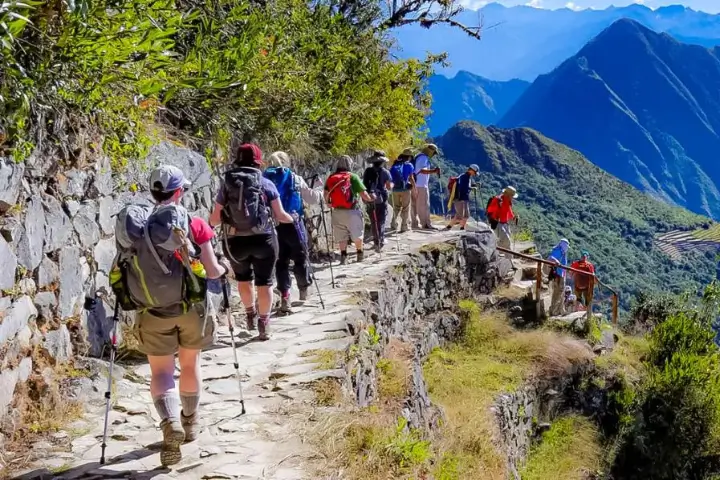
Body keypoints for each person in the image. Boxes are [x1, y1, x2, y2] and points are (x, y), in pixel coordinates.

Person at [113, 165, 230, 466]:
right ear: (180, 191)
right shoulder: (194, 224)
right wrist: (225, 269)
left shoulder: (135, 229)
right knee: (189, 363)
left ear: (152, 192)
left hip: (151, 310)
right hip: (191, 307)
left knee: (161, 372)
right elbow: (213, 271)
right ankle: (189, 421)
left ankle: (169, 424)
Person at [209, 143, 294, 341]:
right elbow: (280, 215)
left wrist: (210, 227)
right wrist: (294, 219)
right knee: (265, 282)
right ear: (258, 162)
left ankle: (250, 314)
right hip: (264, 240)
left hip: (234, 242)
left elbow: (214, 219)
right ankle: (264, 323)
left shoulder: (226, 184)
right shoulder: (265, 184)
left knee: (243, 279)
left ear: (237, 160)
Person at [263, 151, 322, 313]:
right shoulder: (295, 178)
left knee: (280, 262)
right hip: (294, 223)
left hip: (272, 225)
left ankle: (285, 296)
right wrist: (319, 188)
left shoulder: (263, 179)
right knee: (301, 257)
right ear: (286, 162)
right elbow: (313, 199)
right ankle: (303, 290)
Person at [324, 155, 375, 264]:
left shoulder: (331, 177)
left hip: (337, 211)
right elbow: (364, 194)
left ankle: (344, 257)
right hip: (352, 211)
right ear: (350, 164)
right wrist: (370, 199)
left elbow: (326, 194)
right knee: (357, 234)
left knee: (341, 235)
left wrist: (329, 203)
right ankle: (360, 255)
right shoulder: (353, 177)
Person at [362, 152, 393, 252]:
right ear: (382, 161)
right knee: (381, 220)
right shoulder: (385, 172)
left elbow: (364, 184)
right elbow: (388, 186)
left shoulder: (367, 171)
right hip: (381, 198)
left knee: (373, 220)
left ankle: (376, 241)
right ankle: (381, 240)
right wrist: (392, 185)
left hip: (370, 198)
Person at [411, 143, 441, 230]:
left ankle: (414, 224)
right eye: (434, 153)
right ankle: (426, 224)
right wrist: (434, 171)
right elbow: (422, 170)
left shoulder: (418, 156)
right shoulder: (423, 158)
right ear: (430, 151)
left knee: (414, 205)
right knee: (424, 205)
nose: (434, 155)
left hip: (415, 184)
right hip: (421, 185)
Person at [389, 148, 416, 233]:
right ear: (409, 157)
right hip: (405, 189)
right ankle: (404, 226)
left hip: (395, 189)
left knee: (396, 207)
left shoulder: (395, 164)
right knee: (406, 208)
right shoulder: (409, 165)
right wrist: (414, 188)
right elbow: (411, 178)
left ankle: (393, 224)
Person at [446, 164, 479, 230]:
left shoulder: (465, 176)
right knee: (459, 216)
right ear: (471, 170)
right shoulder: (465, 177)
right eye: (475, 172)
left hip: (462, 198)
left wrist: (473, 186)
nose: (475, 174)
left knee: (466, 215)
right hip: (460, 198)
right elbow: (463, 188)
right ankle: (449, 227)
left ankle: (461, 228)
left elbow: (464, 186)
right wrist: (472, 188)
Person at [548, 238, 570, 316]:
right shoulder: (558, 250)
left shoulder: (563, 252)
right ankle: (554, 311)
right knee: (557, 293)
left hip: (562, 274)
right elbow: (550, 258)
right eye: (566, 245)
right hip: (558, 274)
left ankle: (561, 310)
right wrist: (556, 261)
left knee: (561, 292)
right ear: (563, 245)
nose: (567, 247)